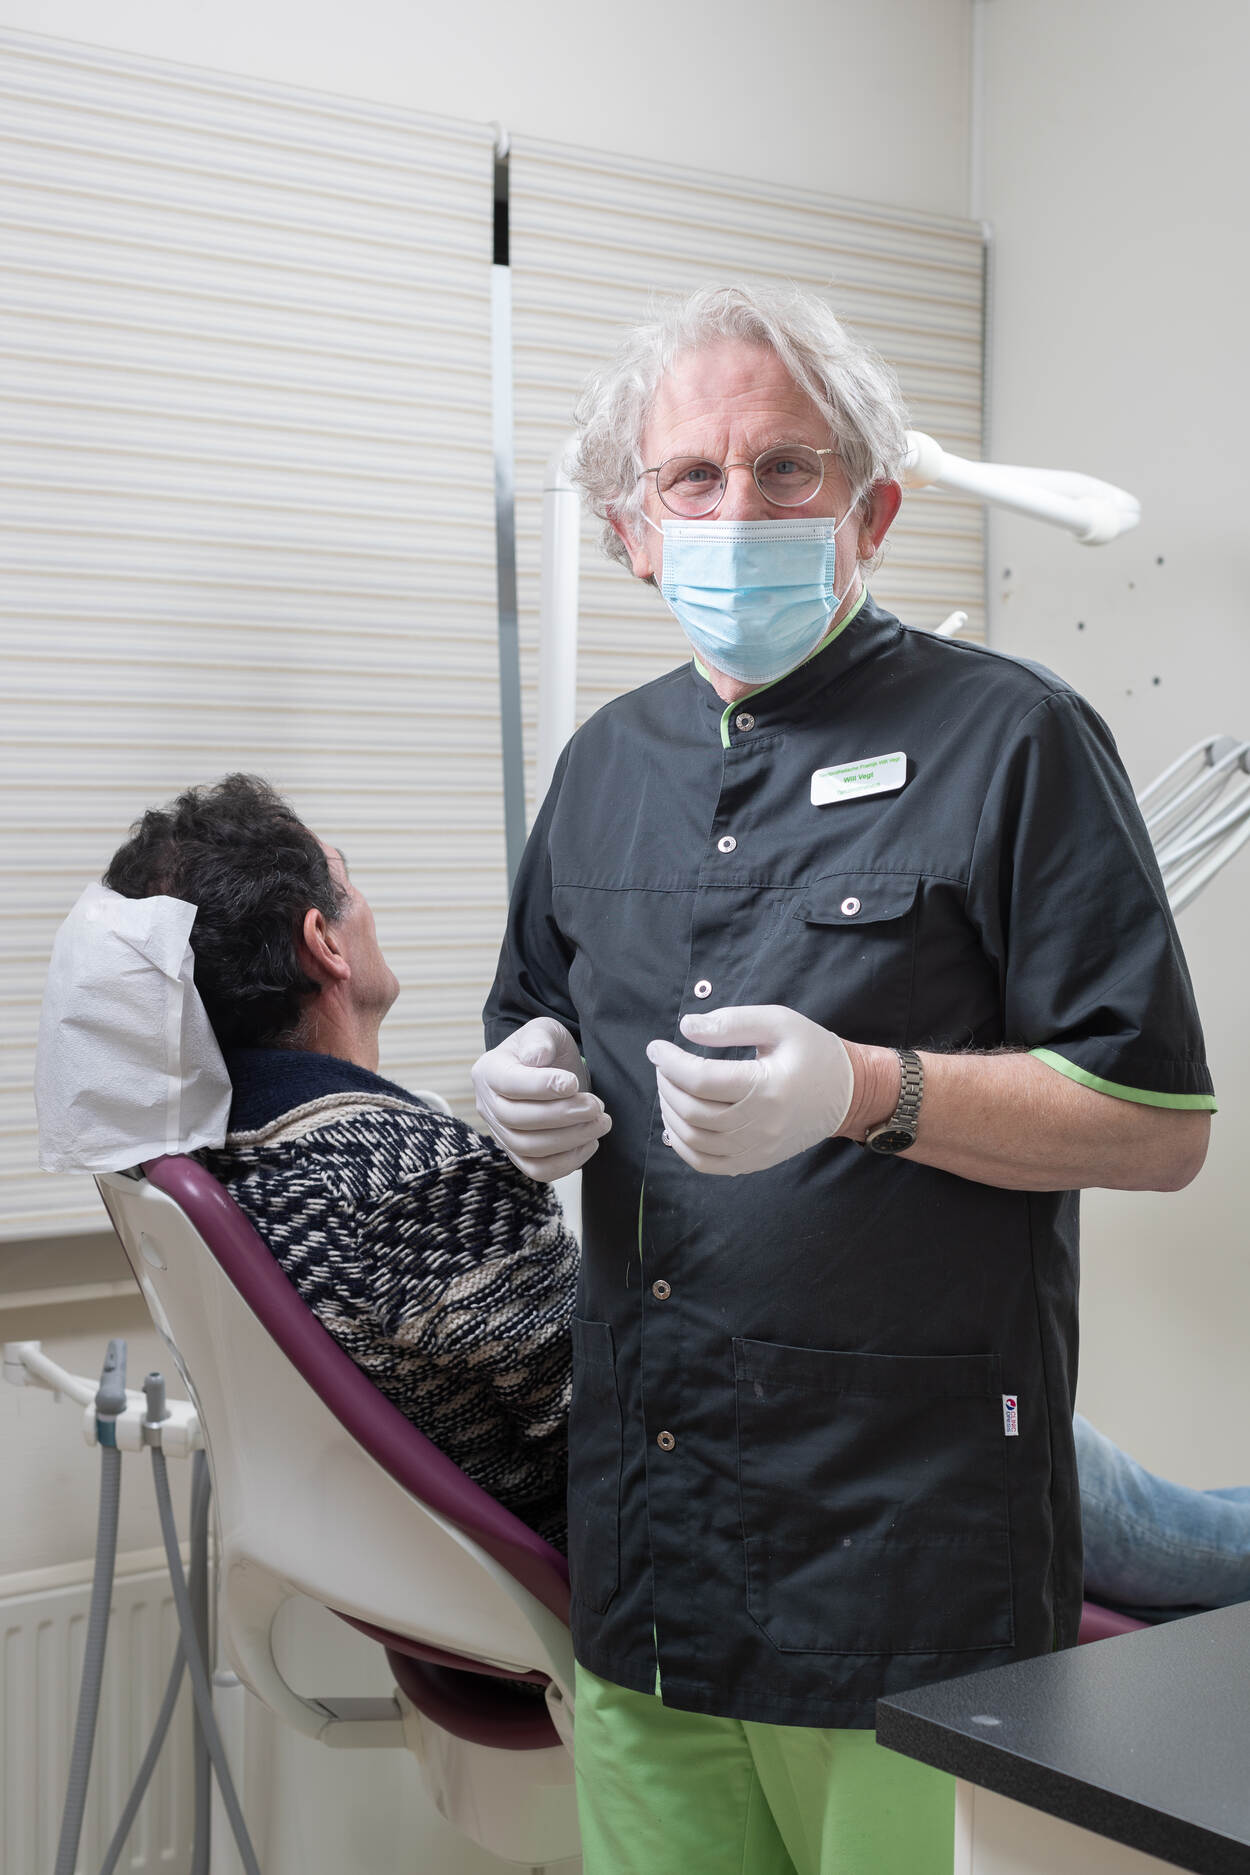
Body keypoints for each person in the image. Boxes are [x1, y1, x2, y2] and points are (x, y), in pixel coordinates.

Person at [474, 283, 1216, 1875]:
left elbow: (1157, 1126)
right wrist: (517, 1084)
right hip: (648, 1562)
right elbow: (535, 1017)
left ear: (869, 508)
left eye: (785, 467)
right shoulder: (600, 768)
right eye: (691, 477)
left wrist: (873, 1090)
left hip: (904, 1568)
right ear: (632, 532)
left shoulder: (1013, 739)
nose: (736, 509)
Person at [102, 772, 578, 1551]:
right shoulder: (423, 1183)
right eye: (349, 886)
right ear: (324, 942)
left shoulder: (196, 1158)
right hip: (578, 1576)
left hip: (393, 1572)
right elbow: (617, 1423)